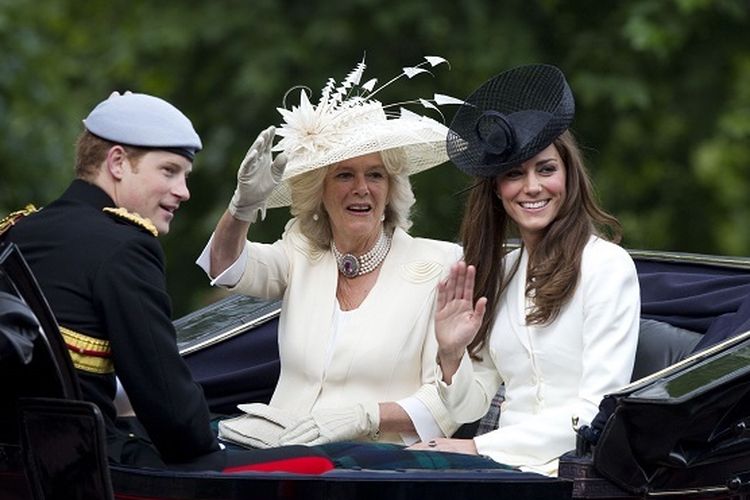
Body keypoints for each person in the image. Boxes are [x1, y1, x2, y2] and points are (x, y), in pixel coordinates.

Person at [1, 92, 333, 473]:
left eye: (185, 177)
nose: (184, 191)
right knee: (316, 464)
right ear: (118, 162)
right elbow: (174, 417)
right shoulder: (124, 245)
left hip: (18, 467)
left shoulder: (20, 229)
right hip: (87, 472)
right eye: (169, 171)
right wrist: (213, 437)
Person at [196, 56, 464, 448]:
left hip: (375, 468)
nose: (361, 188)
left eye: (374, 174)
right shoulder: (301, 251)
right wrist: (241, 209)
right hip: (278, 454)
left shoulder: (439, 264)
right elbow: (226, 268)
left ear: (390, 190)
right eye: (344, 175)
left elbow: (446, 400)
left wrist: (366, 415)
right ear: (319, 192)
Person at [409, 64, 641, 476]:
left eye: (546, 169)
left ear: (569, 177)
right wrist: (450, 353)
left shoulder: (607, 267)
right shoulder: (503, 270)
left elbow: (595, 413)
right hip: (498, 470)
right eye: (514, 174)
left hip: (573, 472)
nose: (531, 187)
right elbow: (471, 405)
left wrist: (477, 448)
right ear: (497, 191)